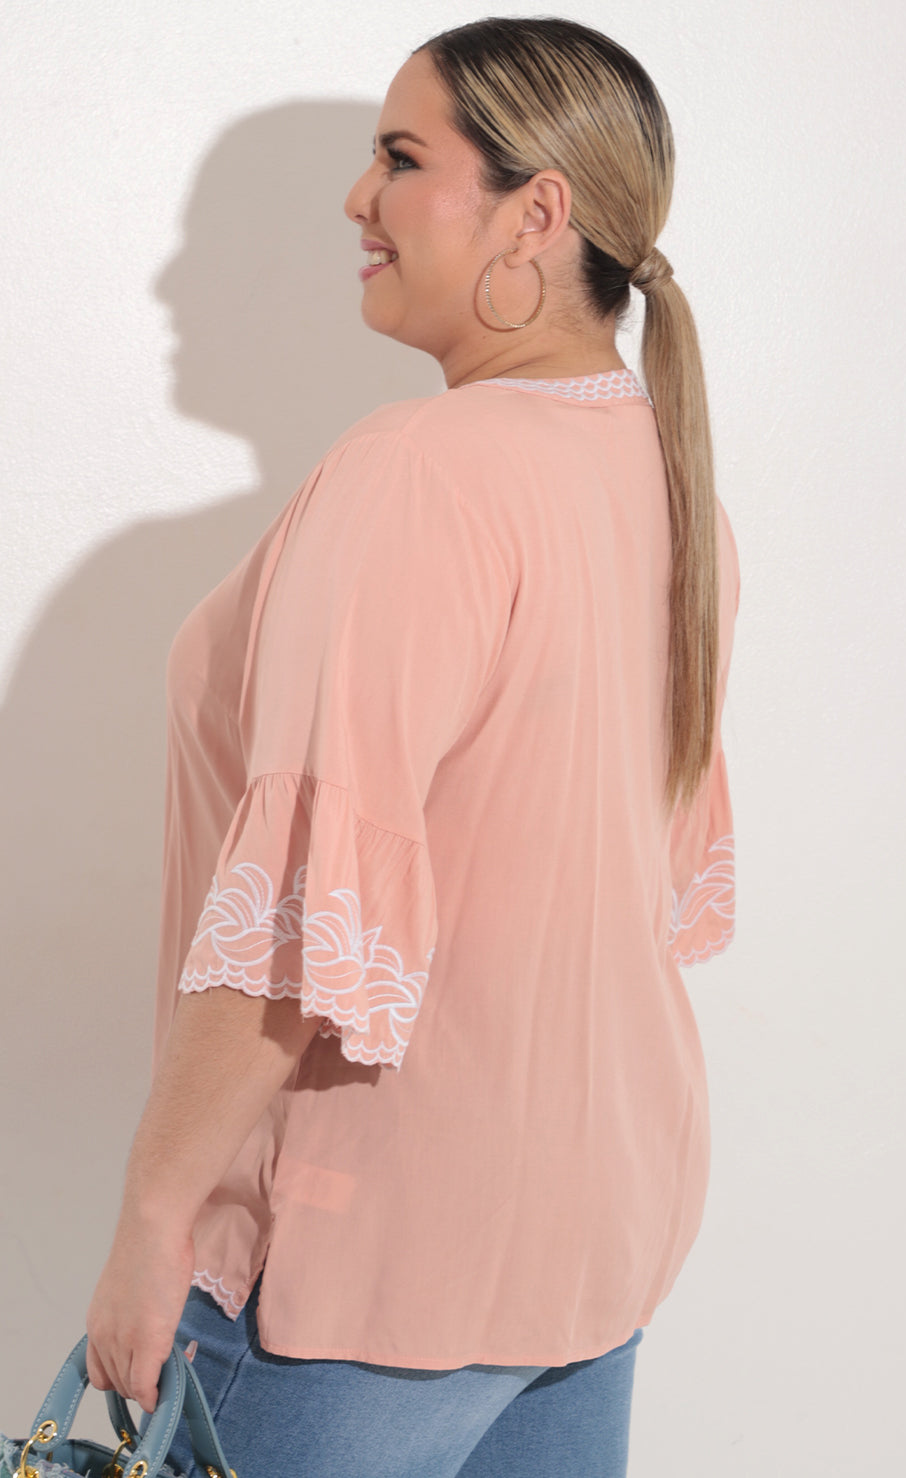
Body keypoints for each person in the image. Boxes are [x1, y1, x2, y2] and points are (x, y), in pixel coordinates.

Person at [85, 16, 739, 1477]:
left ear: (536, 212)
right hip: (594, 1231)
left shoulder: (417, 472)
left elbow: (306, 912)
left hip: (363, 1256)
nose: (356, 199)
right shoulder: (667, 479)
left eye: (399, 158)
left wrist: (153, 1215)